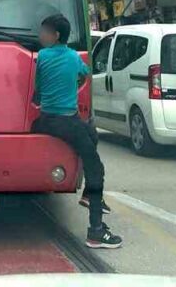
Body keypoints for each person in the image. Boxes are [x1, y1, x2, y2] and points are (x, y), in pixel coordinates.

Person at [32, 13, 122, 250]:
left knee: (91, 133)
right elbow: (84, 74)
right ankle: (96, 231)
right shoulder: (73, 58)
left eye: (44, 32)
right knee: (96, 168)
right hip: (67, 121)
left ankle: (87, 196)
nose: (40, 36)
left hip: (46, 119)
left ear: (55, 35)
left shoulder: (41, 56)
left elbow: (38, 90)